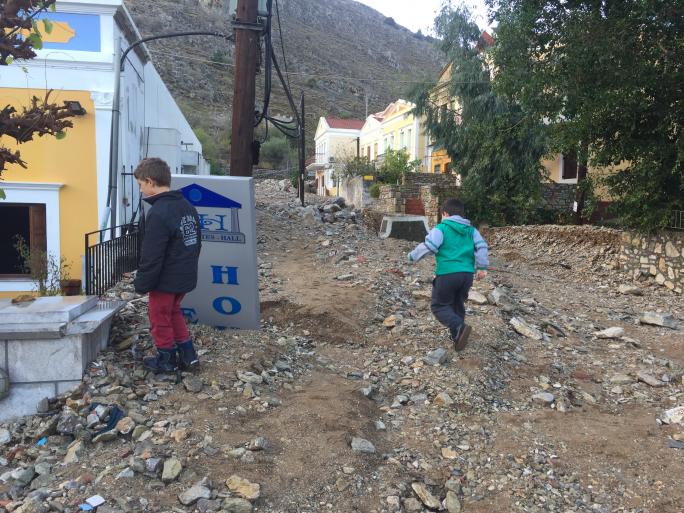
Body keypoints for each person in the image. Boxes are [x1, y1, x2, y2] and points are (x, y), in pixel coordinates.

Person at [133, 158, 202, 373]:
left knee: (159, 318)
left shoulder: (159, 212)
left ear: (150, 181)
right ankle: (189, 357)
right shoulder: (187, 206)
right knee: (173, 313)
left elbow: (152, 255)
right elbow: (196, 243)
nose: (141, 189)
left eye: (140, 185)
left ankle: (167, 361)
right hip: (184, 276)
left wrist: (142, 283)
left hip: (165, 280)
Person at [408, 198, 489, 351]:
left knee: (438, 306)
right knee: (457, 304)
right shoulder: (472, 230)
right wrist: (482, 267)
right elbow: (481, 247)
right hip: (466, 276)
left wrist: (413, 256)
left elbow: (430, 246)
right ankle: (457, 337)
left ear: (445, 213)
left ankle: (458, 326)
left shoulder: (442, 228)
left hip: (447, 274)